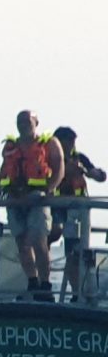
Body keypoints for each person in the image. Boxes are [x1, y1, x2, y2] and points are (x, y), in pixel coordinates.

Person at [0, 109, 64, 299]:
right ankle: (32, 281)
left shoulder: (49, 143)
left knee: (38, 240)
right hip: (14, 198)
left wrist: (48, 191)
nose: (23, 125)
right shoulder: (11, 147)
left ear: (36, 123)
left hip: (37, 198)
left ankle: (45, 284)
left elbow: (59, 169)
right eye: (19, 121)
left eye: (27, 121)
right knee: (21, 242)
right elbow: (4, 170)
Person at [52, 125, 102, 302]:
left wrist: (90, 172)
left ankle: (76, 292)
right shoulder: (49, 159)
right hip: (56, 208)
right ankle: (41, 281)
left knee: (74, 253)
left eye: (73, 142)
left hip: (76, 212)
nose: (71, 145)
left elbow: (99, 175)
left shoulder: (79, 158)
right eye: (68, 141)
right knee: (50, 236)